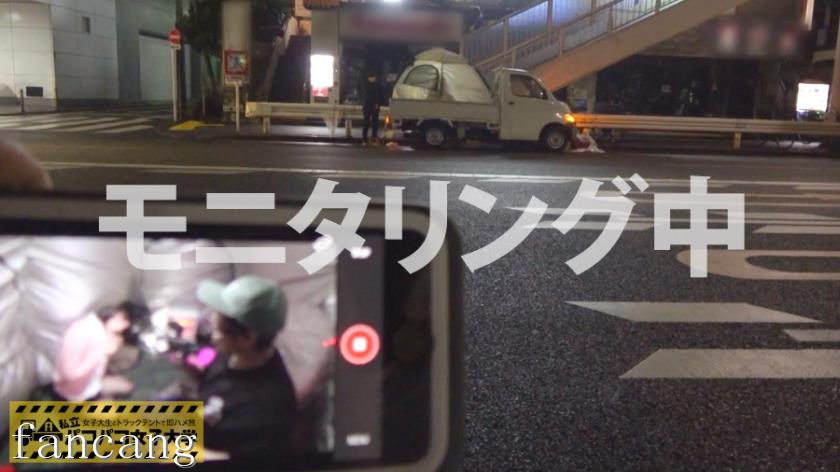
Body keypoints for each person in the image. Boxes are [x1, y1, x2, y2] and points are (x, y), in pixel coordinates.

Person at [195, 275, 298, 461]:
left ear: (247, 338)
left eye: (218, 330)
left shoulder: (268, 407)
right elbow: (213, 379)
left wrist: (170, 450)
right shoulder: (231, 352)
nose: (212, 335)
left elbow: (233, 461)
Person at [361, 70, 384, 145]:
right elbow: (370, 95)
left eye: (374, 77)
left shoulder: (374, 85)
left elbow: (379, 95)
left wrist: (377, 103)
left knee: (374, 123)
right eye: (372, 77)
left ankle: (372, 137)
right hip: (369, 106)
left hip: (370, 106)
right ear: (369, 78)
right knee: (367, 123)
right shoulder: (367, 85)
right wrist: (377, 103)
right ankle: (365, 138)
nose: (373, 79)